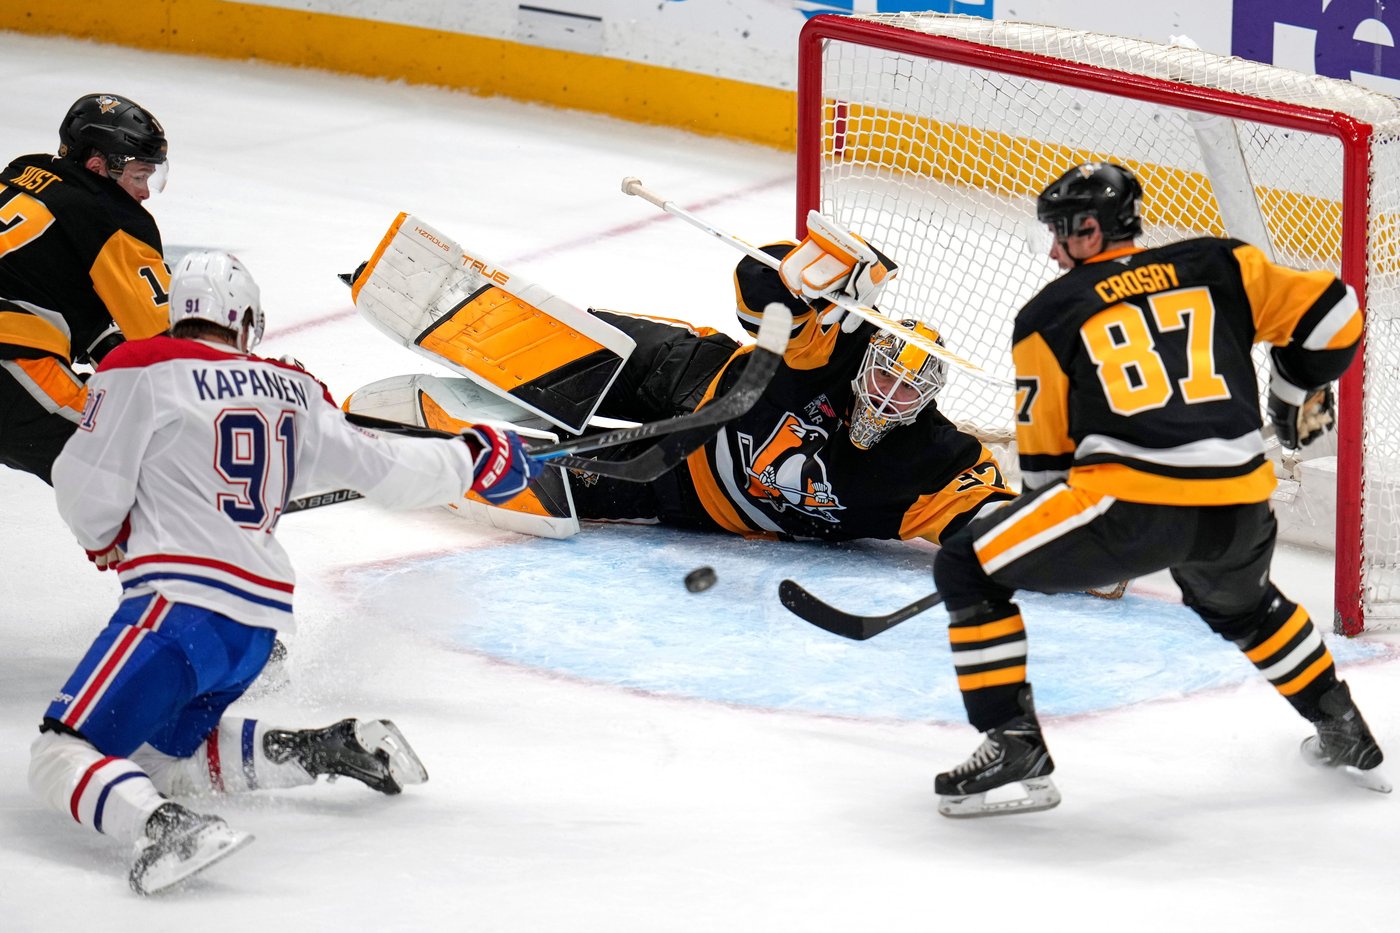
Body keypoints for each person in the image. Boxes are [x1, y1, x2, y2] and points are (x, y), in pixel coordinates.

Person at [28, 250, 541, 895]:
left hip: (177, 608)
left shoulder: (139, 366)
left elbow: (86, 486)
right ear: (244, 321)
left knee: (61, 754)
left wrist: (104, 542)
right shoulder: (293, 388)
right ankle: (321, 748)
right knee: (162, 758)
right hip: (254, 629)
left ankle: (165, 830)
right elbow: (383, 468)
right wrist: (472, 458)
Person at [928, 161, 1385, 818]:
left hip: (1130, 508)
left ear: (1089, 230)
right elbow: (1337, 313)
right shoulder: (1222, 265)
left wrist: (1060, 549)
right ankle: (1345, 731)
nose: (1054, 250)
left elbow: (1046, 477)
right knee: (1246, 608)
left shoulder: (1049, 315)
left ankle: (1013, 745)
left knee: (966, 564)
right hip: (1239, 505)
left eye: (1059, 233)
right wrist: (1291, 389)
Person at [565, 213, 1016, 547]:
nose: (886, 397)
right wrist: (820, 273)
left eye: (906, 391)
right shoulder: (838, 346)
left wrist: (1073, 542)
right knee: (562, 345)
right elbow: (758, 280)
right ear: (869, 362)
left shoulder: (927, 461)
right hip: (690, 377)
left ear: (926, 400)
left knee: (552, 470)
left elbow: (999, 524)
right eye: (883, 377)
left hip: (690, 486)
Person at [1, 93, 172, 484]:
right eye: (140, 176)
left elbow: (92, 325)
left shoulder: (19, 177)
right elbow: (170, 347)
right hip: (9, 358)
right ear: (99, 166)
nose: (145, 193)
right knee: (127, 458)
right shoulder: (108, 216)